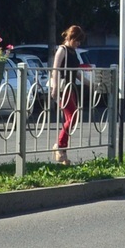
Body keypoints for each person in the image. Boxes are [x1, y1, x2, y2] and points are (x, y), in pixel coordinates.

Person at [51, 25, 85, 164]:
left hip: (72, 87)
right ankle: (59, 146)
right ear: (70, 37)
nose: (78, 44)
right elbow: (56, 69)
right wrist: (54, 87)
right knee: (73, 117)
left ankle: (63, 153)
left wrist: (90, 83)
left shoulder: (73, 52)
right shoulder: (62, 50)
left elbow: (76, 72)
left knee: (71, 119)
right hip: (63, 87)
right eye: (77, 40)